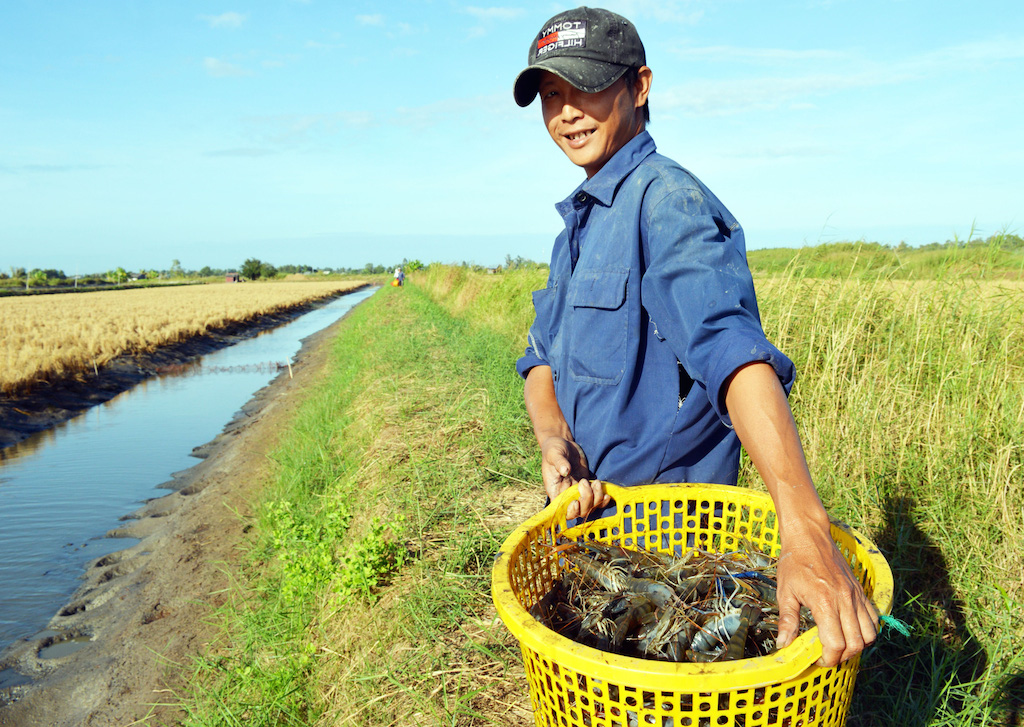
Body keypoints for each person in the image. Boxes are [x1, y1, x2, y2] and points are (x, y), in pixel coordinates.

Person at [512, 6, 878, 668]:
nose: (566, 112)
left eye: (585, 87)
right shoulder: (577, 228)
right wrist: (555, 442)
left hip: (673, 558)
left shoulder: (667, 203)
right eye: (551, 95)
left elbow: (732, 353)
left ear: (639, 86)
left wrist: (804, 528)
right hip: (590, 538)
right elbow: (541, 359)